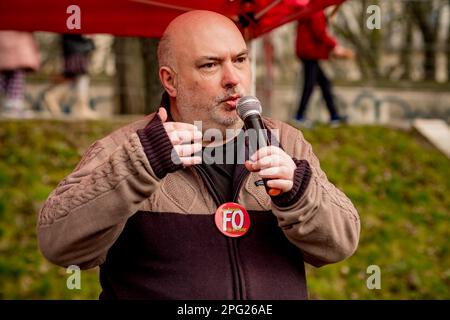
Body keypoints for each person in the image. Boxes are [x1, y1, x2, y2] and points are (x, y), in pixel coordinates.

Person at [37, 10, 360, 300]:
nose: (233, 78)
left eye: (240, 59)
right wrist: (139, 166)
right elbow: (60, 245)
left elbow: (339, 244)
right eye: (210, 65)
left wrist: (300, 192)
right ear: (170, 80)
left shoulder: (286, 141)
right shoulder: (124, 148)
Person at [294, 8, 353, 127]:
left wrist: (325, 20)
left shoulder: (312, 10)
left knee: (324, 83)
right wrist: (335, 46)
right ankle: (299, 116)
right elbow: (320, 33)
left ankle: (334, 115)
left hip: (308, 52)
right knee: (309, 85)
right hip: (311, 53)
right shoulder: (316, 11)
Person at [43, 34, 98, 119]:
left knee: (75, 78)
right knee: (81, 77)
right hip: (76, 48)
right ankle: (81, 107)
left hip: (74, 48)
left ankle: (53, 97)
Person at [0, 31, 40, 118]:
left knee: (7, 78)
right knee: (16, 77)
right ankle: (13, 106)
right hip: (17, 46)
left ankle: (12, 105)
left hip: (6, 45)